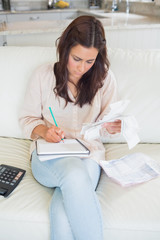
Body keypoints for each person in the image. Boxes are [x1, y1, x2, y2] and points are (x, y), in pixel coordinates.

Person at [19, 15, 121, 240]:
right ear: (64, 49)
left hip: (88, 155)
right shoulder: (42, 76)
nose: (82, 68)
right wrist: (45, 131)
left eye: (90, 61)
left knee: (65, 203)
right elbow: (27, 120)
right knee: (74, 174)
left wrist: (111, 127)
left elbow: (103, 125)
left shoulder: (105, 80)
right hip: (49, 155)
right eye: (76, 58)